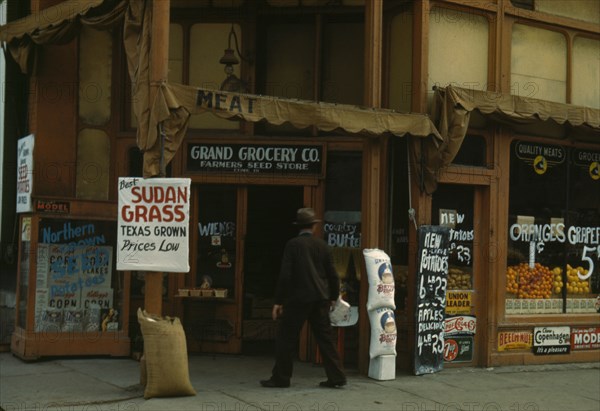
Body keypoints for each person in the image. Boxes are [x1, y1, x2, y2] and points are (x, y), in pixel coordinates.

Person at [260, 207, 347, 389]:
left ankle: (281, 378)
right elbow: (333, 274)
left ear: (299, 226)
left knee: (286, 338)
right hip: (320, 299)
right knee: (325, 339)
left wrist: (278, 301)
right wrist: (332, 296)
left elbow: (286, 275)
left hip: (298, 299)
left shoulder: (293, 245)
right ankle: (337, 377)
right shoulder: (322, 245)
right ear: (314, 227)